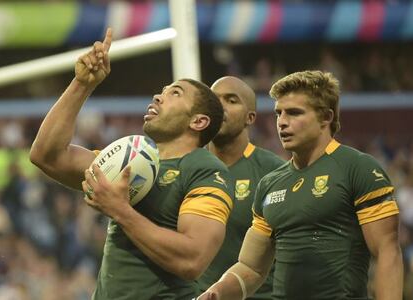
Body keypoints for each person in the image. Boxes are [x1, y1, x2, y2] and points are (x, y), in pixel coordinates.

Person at [30, 28, 234, 300]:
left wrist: (120, 210)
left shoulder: (206, 169)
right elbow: (47, 156)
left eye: (175, 93)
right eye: (162, 91)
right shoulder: (131, 158)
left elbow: (192, 260)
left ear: (198, 122)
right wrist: (83, 84)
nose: (158, 96)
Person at [198, 70, 403, 300]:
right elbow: (251, 267)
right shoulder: (270, 184)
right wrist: (216, 291)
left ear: (326, 117)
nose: (282, 122)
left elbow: (387, 252)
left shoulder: (358, 168)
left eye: (294, 113)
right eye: (279, 113)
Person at [196, 76, 284, 299]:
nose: (220, 106)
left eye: (231, 100)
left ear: (250, 117)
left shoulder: (274, 172)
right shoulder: (188, 166)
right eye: (214, 100)